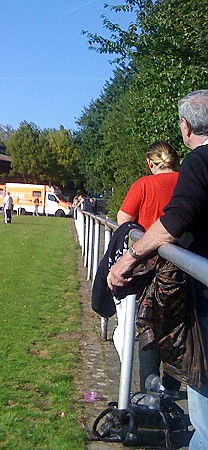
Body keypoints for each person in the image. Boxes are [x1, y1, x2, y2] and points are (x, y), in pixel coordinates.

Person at [108, 90, 208, 449]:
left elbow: (145, 220)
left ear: (186, 127)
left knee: (153, 330)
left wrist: (131, 256)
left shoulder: (198, 163)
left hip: (179, 280)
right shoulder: (185, 171)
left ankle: (152, 393)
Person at [116, 141, 181, 393]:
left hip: (151, 268)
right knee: (178, 327)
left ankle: (149, 391)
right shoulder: (190, 182)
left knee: (147, 326)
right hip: (184, 267)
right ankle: (173, 387)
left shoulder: (144, 185)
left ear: (150, 163)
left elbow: (124, 221)